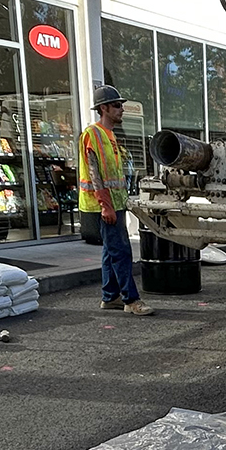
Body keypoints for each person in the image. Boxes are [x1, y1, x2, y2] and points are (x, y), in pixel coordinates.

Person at [79, 84, 152, 315]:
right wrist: (105, 206)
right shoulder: (93, 134)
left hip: (114, 204)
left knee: (110, 251)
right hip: (103, 205)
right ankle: (131, 300)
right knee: (121, 251)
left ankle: (110, 297)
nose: (122, 109)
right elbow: (95, 173)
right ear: (104, 108)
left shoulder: (109, 136)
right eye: (117, 105)